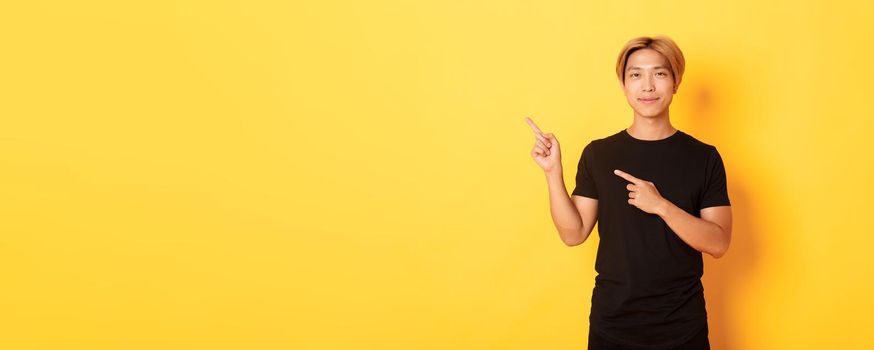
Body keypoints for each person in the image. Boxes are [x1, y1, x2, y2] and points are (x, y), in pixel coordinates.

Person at [525, 35, 732, 350]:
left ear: (676, 82)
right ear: (623, 85)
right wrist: (553, 173)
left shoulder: (704, 157)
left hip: (682, 327)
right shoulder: (599, 154)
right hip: (613, 325)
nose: (647, 85)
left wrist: (661, 206)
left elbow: (719, 243)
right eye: (636, 75)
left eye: (659, 73)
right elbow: (573, 233)